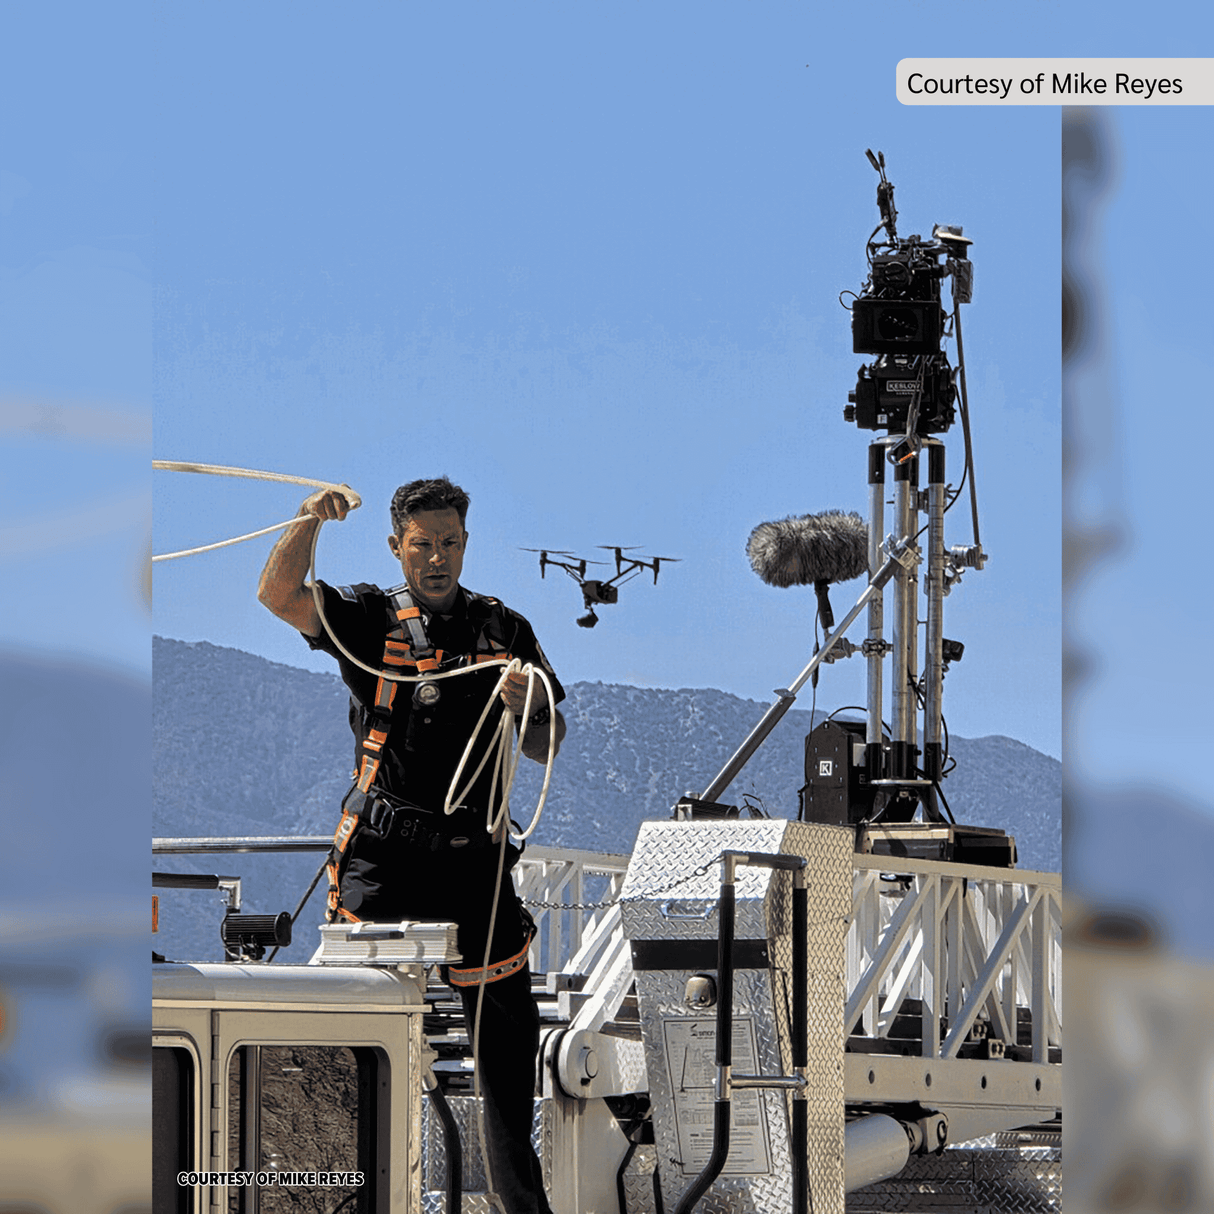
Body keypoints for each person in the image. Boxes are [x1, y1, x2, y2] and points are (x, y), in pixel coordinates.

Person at [258, 475, 566, 1214]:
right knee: (349, 1041)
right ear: (397, 546)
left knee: (507, 1051)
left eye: (450, 543)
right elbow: (279, 595)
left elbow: (546, 741)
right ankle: (337, 1197)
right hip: (385, 856)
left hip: (474, 861)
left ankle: (522, 1208)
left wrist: (531, 708)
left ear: (466, 544)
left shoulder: (505, 630)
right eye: (423, 545)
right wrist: (307, 520)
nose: (437, 558)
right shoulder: (368, 618)